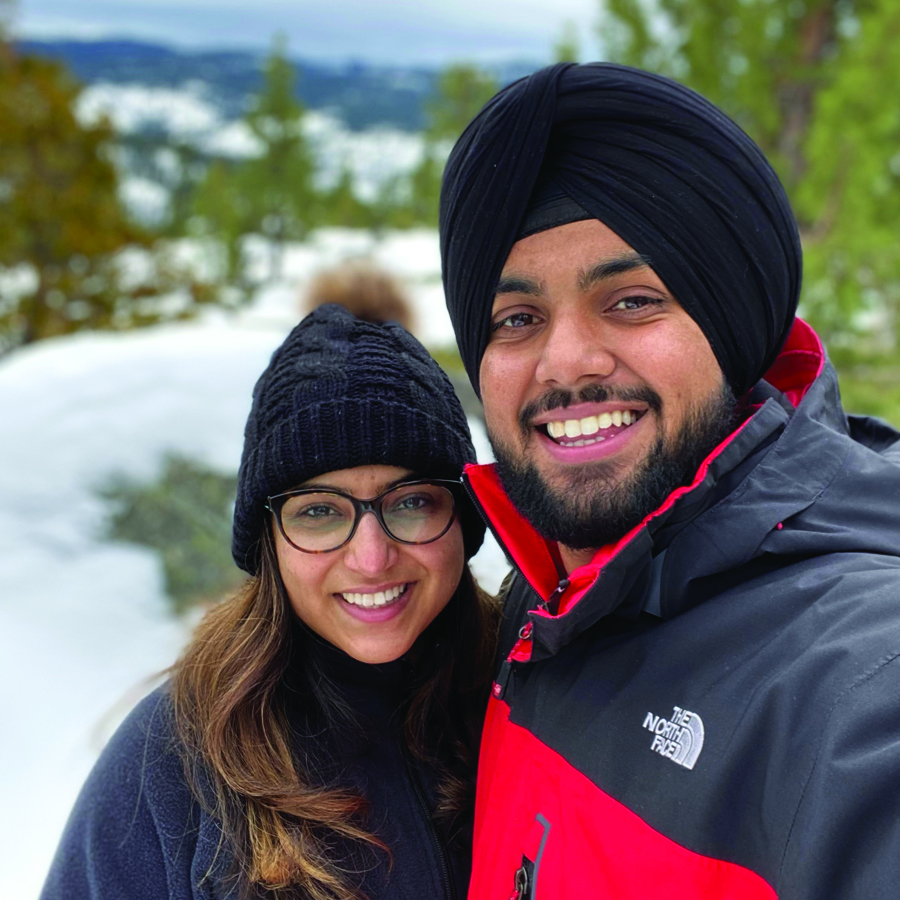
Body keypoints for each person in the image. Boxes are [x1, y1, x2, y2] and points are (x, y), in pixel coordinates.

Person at [439, 62, 900, 899]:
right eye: (518, 318)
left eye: (631, 301)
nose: (566, 362)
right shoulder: (539, 603)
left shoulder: (850, 680)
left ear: (730, 331)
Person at [40, 304, 498, 900]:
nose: (371, 558)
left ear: (462, 516)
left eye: (410, 502)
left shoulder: (533, 688)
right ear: (268, 542)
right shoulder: (174, 757)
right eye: (318, 512)